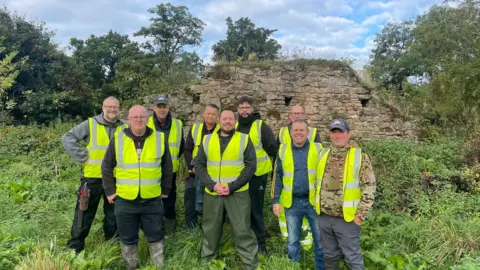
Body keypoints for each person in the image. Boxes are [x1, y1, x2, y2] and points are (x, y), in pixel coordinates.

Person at [102, 105, 173, 269]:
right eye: (135, 117)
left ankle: (158, 266)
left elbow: (167, 167)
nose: (139, 119)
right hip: (125, 200)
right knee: (127, 238)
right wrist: (110, 191)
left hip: (152, 199)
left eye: (142, 116)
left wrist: (165, 189)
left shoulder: (159, 138)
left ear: (148, 119)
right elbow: (106, 166)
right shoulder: (118, 139)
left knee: (155, 235)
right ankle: (130, 266)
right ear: (129, 120)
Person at [62, 96, 126, 254]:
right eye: (109, 106)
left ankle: (111, 246)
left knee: (114, 215)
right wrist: (83, 157)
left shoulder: (124, 127)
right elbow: (68, 138)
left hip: (116, 179)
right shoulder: (90, 124)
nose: (112, 109)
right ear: (102, 107)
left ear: (119, 108)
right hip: (92, 178)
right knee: (83, 213)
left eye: (115, 107)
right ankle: (75, 249)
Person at [195, 110, 258, 270]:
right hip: (213, 193)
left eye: (231, 119)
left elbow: (251, 166)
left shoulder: (244, 139)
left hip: (238, 193)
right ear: (219, 120)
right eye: (224, 119)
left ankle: (250, 264)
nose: (227, 121)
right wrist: (212, 185)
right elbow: (199, 165)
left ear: (235, 121)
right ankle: (208, 262)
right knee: (210, 228)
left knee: (242, 229)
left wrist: (232, 186)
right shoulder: (207, 140)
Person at [315, 119, 376, 270]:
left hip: (347, 220)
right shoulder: (323, 153)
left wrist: (359, 216)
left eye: (340, 132)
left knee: (352, 258)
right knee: (329, 256)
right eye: (334, 132)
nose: (337, 136)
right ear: (330, 134)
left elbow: (369, 186)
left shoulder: (359, 156)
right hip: (324, 217)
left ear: (349, 134)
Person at [272, 120, 325, 269]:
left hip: (313, 203)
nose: (299, 133)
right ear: (290, 133)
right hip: (292, 203)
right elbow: (278, 177)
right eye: (295, 130)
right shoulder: (283, 150)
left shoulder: (319, 148)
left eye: (302, 130)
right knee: (293, 242)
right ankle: (293, 267)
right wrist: (275, 200)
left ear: (308, 132)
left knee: (320, 242)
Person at [236, 96, 277, 252]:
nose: (244, 110)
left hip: (258, 175)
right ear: (237, 110)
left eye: (247, 107)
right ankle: (246, 237)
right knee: (242, 207)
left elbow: (272, 148)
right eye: (241, 108)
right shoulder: (234, 126)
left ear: (252, 109)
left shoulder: (260, 126)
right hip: (239, 176)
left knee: (256, 208)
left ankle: (260, 242)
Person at [147, 95, 185, 234]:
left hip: (170, 172)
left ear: (168, 108)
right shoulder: (146, 123)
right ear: (154, 108)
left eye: (164, 107)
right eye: (159, 106)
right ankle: (153, 228)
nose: (162, 109)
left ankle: (170, 231)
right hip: (151, 170)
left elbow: (181, 147)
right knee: (151, 201)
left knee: (169, 201)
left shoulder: (177, 124)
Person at [183, 104, 220, 229]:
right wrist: (192, 167)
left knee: (211, 205)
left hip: (213, 176)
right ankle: (191, 230)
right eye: (208, 113)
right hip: (194, 173)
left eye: (213, 114)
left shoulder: (221, 131)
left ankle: (208, 229)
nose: (210, 116)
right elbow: (187, 150)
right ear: (204, 114)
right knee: (190, 202)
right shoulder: (195, 128)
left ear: (217, 117)